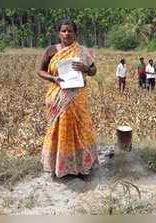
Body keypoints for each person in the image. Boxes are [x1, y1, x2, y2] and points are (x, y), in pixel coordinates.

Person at [37, 18, 98, 180]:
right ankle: (60, 166)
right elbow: (40, 71)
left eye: (70, 30)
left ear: (75, 33)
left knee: (81, 129)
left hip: (78, 97)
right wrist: (53, 79)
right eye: (64, 30)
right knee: (59, 129)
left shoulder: (82, 51)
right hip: (59, 96)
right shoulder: (51, 50)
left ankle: (82, 166)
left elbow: (93, 71)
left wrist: (86, 68)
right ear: (59, 33)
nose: (67, 33)